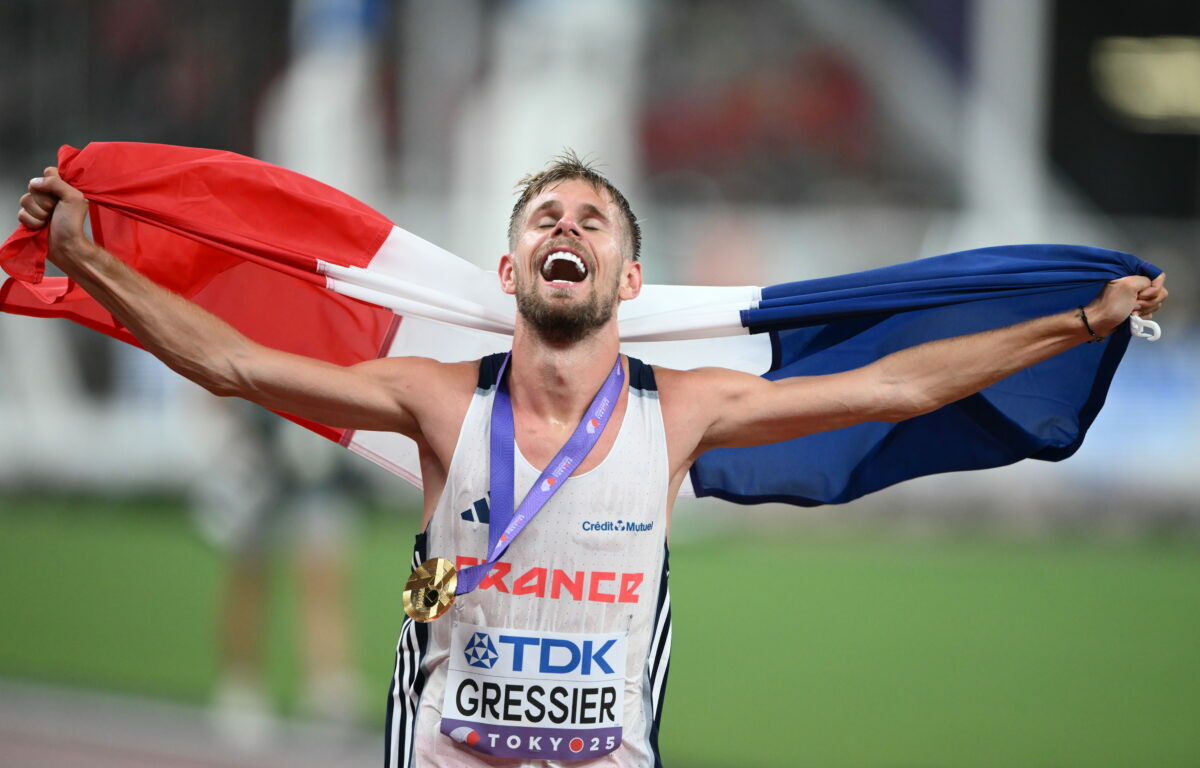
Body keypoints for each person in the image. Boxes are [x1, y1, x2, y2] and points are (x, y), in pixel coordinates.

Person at [18, 153, 1167, 768]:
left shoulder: (684, 411)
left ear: (627, 281)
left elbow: (901, 384)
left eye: (591, 222)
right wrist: (86, 259)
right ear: (509, 272)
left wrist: (1076, 322)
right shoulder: (426, 398)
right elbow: (227, 359)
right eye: (543, 220)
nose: (565, 227)